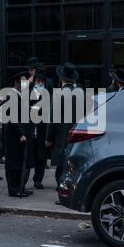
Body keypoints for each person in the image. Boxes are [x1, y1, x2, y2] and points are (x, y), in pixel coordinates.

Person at [46, 62, 82, 201]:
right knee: (73, 167)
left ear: (61, 79)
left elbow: (53, 120)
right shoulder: (81, 94)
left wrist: (48, 138)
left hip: (61, 137)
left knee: (61, 169)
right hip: (77, 134)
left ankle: (64, 197)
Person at [4, 70, 35, 198]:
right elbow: (12, 117)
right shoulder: (12, 95)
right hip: (14, 136)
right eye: (23, 81)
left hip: (20, 134)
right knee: (13, 163)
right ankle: (14, 189)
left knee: (20, 161)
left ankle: (20, 187)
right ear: (16, 82)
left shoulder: (20, 95)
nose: (25, 83)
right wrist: (21, 133)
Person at [30, 67, 50, 189]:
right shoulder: (28, 92)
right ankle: (24, 178)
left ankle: (38, 179)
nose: (40, 82)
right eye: (39, 80)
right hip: (31, 129)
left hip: (42, 129)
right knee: (29, 156)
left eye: (42, 81)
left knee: (41, 158)